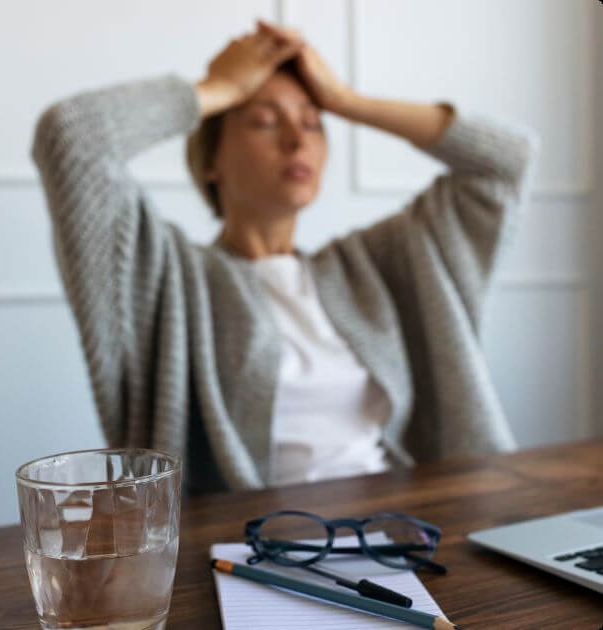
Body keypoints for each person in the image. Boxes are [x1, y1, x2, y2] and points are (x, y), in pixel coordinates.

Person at [31, 20, 539, 494]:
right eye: (264, 120)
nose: (297, 140)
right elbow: (71, 137)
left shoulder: (380, 263)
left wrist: (345, 99)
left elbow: (505, 162)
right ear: (210, 160)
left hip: (408, 531)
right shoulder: (167, 278)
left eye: (313, 124)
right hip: (247, 557)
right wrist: (220, 87)